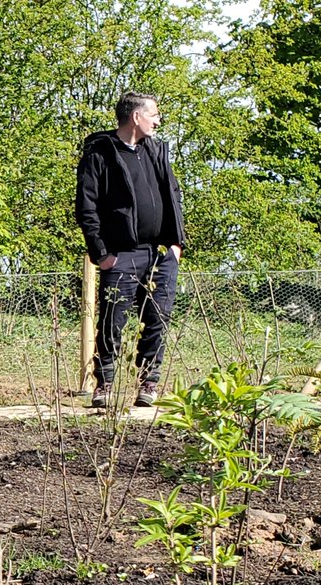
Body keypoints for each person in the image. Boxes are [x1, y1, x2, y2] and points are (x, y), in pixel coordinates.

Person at [75, 91, 186, 409]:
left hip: (161, 254)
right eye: (154, 114)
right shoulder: (100, 154)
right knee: (112, 322)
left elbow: (173, 195)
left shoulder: (156, 151)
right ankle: (105, 386)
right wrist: (102, 254)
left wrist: (176, 244)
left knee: (157, 320)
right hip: (121, 255)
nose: (158, 120)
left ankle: (149, 383)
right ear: (136, 117)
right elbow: (87, 207)